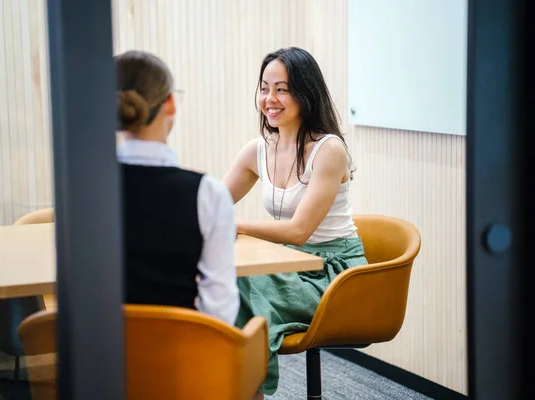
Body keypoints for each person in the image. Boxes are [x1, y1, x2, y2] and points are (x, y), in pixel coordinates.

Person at [223, 47, 369, 398]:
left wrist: (238, 225)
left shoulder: (329, 150)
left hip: (331, 273)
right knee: (213, 283)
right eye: (264, 87)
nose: (269, 98)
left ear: (305, 93)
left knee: (235, 292)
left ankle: (250, 389)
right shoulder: (256, 150)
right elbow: (210, 204)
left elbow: (298, 232)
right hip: (287, 263)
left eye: (282, 89)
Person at [115, 50, 239, 325]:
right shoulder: (208, 193)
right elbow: (220, 311)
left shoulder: (84, 191)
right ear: (170, 103)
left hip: (101, 360)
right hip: (182, 358)